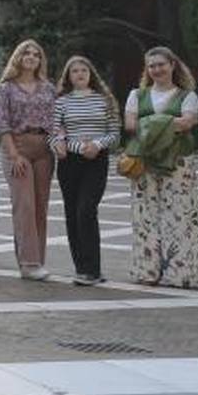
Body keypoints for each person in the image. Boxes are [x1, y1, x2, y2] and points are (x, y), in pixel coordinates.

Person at [124, 47, 198, 289]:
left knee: (181, 215)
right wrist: (170, 122)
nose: (156, 69)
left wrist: (147, 123)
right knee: (145, 216)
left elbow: (188, 122)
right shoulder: (136, 94)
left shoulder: (188, 95)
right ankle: (147, 270)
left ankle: (181, 273)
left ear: (172, 65)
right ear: (147, 70)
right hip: (144, 161)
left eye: (161, 64)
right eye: (151, 66)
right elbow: (129, 125)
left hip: (179, 161)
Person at [49, 56, 120, 285]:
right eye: (74, 71)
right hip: (70, 162)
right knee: (72, 213)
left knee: (86, 210)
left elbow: (115, 133)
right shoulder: (61, 102)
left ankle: (93, 269)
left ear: (91, 74)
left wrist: (97, 145)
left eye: (84, 70)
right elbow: (54, 135)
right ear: (68, 77)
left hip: (96, 161)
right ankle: (83, 268)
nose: (79, 74)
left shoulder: (105, 100)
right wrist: (79, 147)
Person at [0, 39, 57, 281]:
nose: (31, 57)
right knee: (25, 206)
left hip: (44, 148)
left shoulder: (48, 88)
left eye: (36, 54)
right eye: (26, 53)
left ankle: (38, 259)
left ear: (40, 60)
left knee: (40, 206)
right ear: (18, 58)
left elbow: (55, 121)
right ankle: (28, 263)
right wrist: (13, 154)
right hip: (17, 146)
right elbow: (1, 123)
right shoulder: (5, 89)